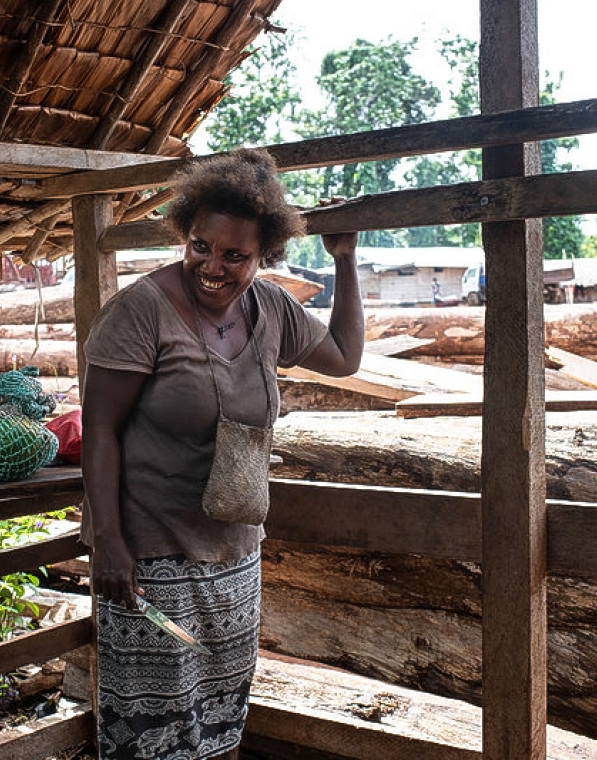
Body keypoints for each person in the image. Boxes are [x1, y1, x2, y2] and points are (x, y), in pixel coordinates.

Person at [80, 147, 363, 760]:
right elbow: (99, 430)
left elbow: (344, 356)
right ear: (186, 234)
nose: (213, 266)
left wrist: (345, 259)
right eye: (201, 247)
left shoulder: (271, 310)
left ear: (265, 257)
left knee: (220, 719)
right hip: (150, 556)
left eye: (235, 256)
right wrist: (108, 541)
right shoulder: (139, 312)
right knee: (151, 732)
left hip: (234, 556)